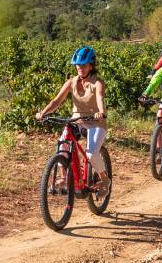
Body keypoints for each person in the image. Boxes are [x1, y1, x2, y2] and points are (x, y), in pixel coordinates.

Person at [35, 46, 110, 199]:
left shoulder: (97, 83)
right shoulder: (71, 82)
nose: (79, 68)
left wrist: (100, 112)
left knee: (91, 153)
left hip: (95, 122)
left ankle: (104, 179)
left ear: (91, 65)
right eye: (77, 65)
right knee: (62, 144)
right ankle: (64, 177)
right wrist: (43, 112)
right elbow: (56, 101)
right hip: (77, 120)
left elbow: (99, 99)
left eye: (83, 65)